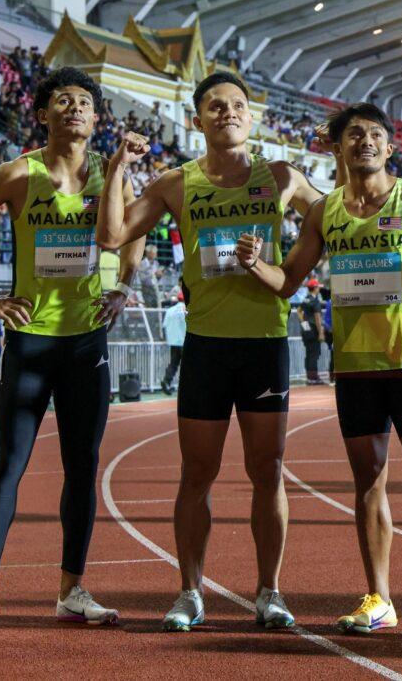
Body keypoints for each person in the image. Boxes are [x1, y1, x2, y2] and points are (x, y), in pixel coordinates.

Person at [234, 102, 402, 644]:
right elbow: (288, 281)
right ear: (341, 147)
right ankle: (380, 599)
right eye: (354, 135)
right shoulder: (324, 212)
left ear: (389, 148)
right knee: (368, 482)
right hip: (354, 369)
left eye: (374, 135)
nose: (364, 142)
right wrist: (253, 263)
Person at [97, 71, 324, 632]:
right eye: (216, 106)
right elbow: (112, 235)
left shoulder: (281, 177)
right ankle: (190, 592)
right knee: (196, 472)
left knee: (267, 470)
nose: (229, 112)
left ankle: (269, 591)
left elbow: (335, 220)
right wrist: (117, 168)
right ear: (197, 120)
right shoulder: (176, 183)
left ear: (251, 117)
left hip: (264, 345)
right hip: (205, 346)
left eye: (238, 104)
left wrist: (287, 270)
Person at [0, 67, 144, 638]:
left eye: (84, 101)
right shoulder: (19, 172)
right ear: (43, 114)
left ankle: (71, 591)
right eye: (63, 100)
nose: (75, 108)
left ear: (96, 117)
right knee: (7, 465)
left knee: (82, 468)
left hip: (86, 340)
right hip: (30, 338)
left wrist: (123, 286)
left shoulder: (111, 174)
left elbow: (135, 230)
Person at [298, 279, 324, 384]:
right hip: (314, 330)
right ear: (315, 288)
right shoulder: (315, 301)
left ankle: (309, 377)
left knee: (309, 354)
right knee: (314, 354)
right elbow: (317, 318)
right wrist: (321, 333)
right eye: (318, 287)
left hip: (306, 330)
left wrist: (304, 323)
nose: (319, 289)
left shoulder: (306, 299)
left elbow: (299, 311)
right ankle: (313, 378)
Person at [160, 291, 186, 394]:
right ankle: (186, 387)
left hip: (173, 342)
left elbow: (164, 325)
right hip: (185, 341)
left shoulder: (169, 310)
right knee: (188, 366)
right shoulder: (188, 310)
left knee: (173, 364)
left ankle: (166, 381)